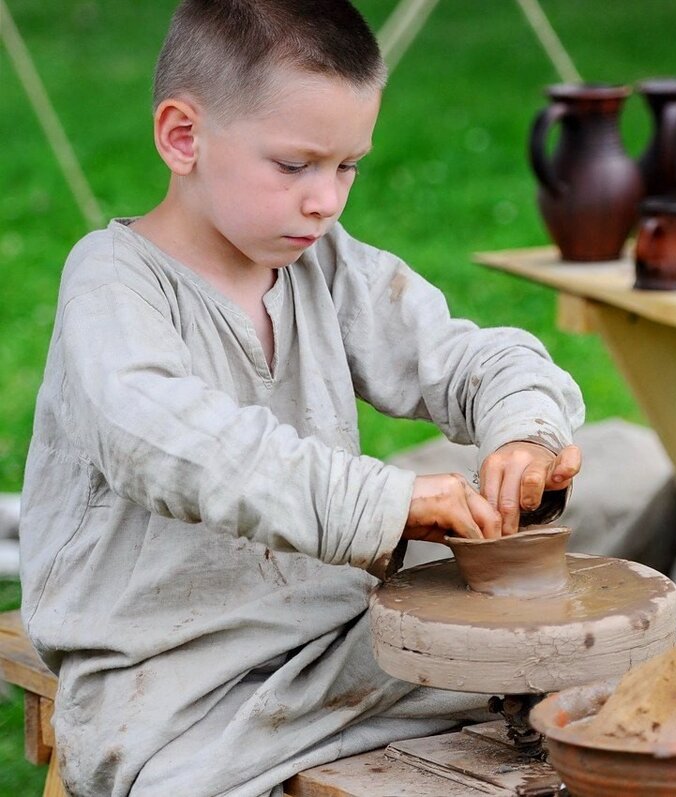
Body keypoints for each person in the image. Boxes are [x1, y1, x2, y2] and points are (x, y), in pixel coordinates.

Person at [18, 1, 585, 794]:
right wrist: (387, 503)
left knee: (582, 676)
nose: (327, 199)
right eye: (295, 165)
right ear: (182, 137)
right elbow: (169, 443)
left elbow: (469, 356)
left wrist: (525, 430)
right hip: (169, 687)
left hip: (336, 646)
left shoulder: (326, 266)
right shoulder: (114, 285)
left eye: (348, 166)